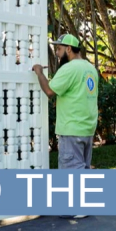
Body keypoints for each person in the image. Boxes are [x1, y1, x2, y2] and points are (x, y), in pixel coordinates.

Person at [33, 34, 99, 172]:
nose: (57, 53)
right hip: (87, 130)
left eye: (59, 49)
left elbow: (49, 91)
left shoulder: (69, 68)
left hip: (71, 131)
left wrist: (39, 73)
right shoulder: (91, 68)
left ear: (68, 49)